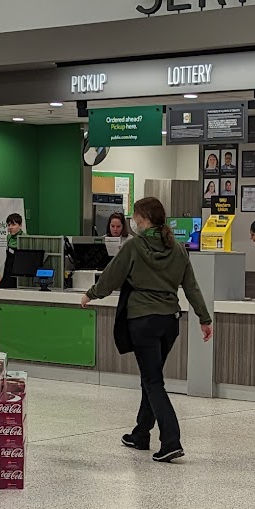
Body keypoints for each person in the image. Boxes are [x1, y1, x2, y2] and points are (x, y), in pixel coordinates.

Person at [84, 197, 211, 463]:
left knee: (153, 381)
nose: (133, 220)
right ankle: (141, 434)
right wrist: (204, 318)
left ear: (143, 219)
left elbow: (111, 276)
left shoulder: (135, 246)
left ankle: (171, 441)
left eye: (134, 216)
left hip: (142, 320)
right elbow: (192, 287)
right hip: (169, 322)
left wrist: (91, 294)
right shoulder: (178, 249)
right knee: (150, 377)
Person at [0, 212, 25, 293]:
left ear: (20, 225)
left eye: (13, 225)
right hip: (8, 272)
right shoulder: (8, 237)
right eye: (9, 225)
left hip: (19, 276)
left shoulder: (25, 239)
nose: (10, 227)